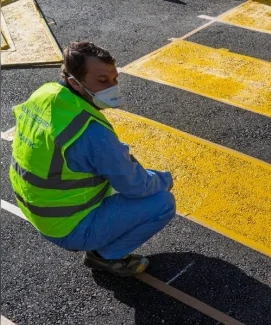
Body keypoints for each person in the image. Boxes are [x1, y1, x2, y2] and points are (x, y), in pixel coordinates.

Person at [9, 41, 175, 276]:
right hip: (68, 225)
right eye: (102, 81)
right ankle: (105, 257)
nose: (113, 87)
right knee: (161, 202)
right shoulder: (90, 131)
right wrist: (163, 179)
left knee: (119, 159)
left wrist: (117, 154)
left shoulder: (46, 94)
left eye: (115, 78)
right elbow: (136, 187)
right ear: (76, 83)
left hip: (37, 208)